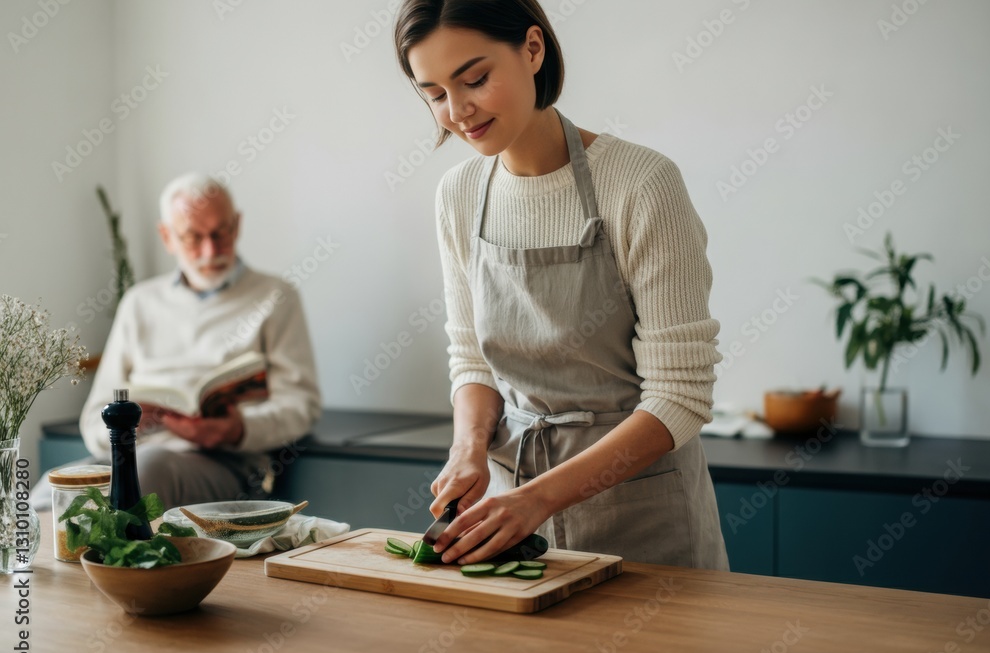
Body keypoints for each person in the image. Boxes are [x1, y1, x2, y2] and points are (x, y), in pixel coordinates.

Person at [393, 0, 729, 568]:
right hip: (510, 508)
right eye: (434, 94)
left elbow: (680, 396)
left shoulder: (642, 185)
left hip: (643, 515)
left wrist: (538, 498)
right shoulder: (459, 194)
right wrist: (469, 447)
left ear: (532, 48)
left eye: (475, 79)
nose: (458, 111)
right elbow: (472, 357)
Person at [31, 173, 321, 510]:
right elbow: (95, 418)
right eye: (193, 237)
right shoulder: (140, 302)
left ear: (237, 225)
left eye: (220, 233)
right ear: (167, 236)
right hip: (131, 454)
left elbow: (301, 404)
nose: (210, 250)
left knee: (147, 473)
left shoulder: (275, 297)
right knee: (44, 497)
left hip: (225, 462)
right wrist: (133, 424)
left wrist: (236, 430)